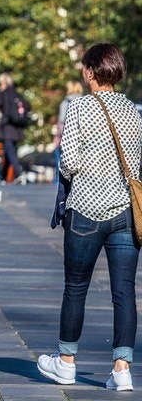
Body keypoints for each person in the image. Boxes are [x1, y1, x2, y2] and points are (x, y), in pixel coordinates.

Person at [38, 42, 142, 392]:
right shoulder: (132, 110)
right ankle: (122, 369)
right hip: (125, 212)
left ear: (91, 71)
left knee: (76, 288)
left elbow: (68, 162)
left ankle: (66, 362)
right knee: (124, 292)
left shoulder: (79, 108)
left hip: (84, 209)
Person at [0, 72, 28, 184]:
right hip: (17, 128)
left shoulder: (4, 93)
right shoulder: (17, 94)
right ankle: (3, 176)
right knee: (9, 151)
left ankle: (19, 172)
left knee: (9, 151)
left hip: (7, 128)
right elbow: (27, 106)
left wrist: (2, 122)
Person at [54, 80, 83, 185]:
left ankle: (59, 182)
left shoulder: (65, 102)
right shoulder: (84, 101)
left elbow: (61, 120)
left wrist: (58, 135)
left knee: (60, 160)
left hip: (66, 135)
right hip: (81, 137)